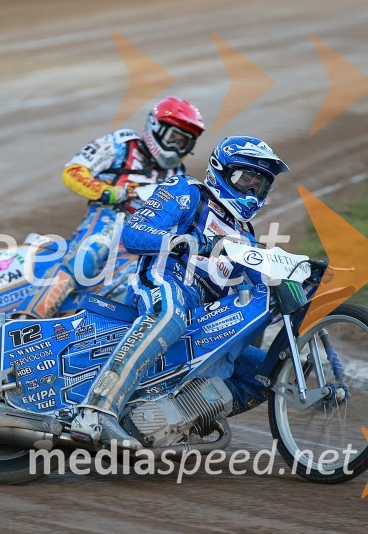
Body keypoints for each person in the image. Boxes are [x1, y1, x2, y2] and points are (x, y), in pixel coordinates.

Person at [70, 135, 289, 450]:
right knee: (171, 312)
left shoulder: (246, 235)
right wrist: (184, 241)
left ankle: (178, 418)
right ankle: (96, 410)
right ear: (221, 171)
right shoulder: (186, 191)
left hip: (202, 316)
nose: (253, 190)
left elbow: (262, 284)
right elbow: (133, 233)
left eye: (261, 184)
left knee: (270, 370)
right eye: (246, 179)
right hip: (163, 281)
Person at [16, 97, 205, 317]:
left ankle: (86, 324)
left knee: (136, 279)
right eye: (173, 138)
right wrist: (110, 192)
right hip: (111, 214)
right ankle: (27, 316)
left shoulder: (178, 174)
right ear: (155, 127)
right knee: (84, 261)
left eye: (184, 143)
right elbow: (74, 172)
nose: (176, 147)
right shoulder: (122, 144)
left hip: (143, 231)